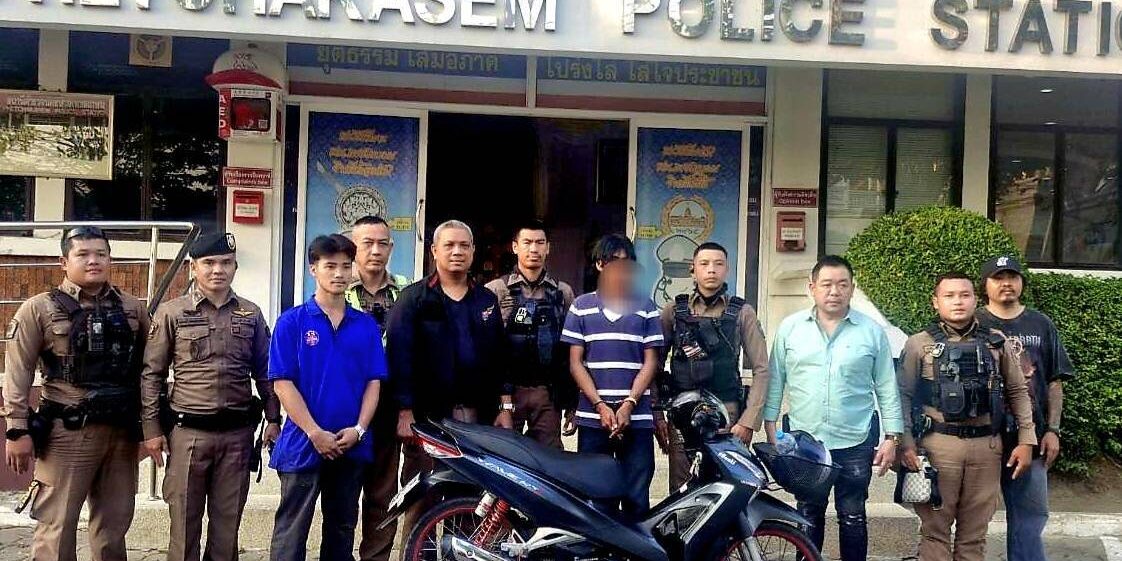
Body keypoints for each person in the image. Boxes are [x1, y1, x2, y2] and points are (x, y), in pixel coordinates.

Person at [3, 226, 150, 561]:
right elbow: (18, 373)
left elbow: (149, 368)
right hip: (67, 433)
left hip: (121, 433)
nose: (93, 261)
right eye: (82, 254)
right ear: (63, 262)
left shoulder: (132, 308)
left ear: (110, 259)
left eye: (101, 254)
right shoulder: (38, 309)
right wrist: (16, 430)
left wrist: (152, 426)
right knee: (57, 527)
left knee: (114, 526)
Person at [139, 233, 282, 561]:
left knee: (227, 528)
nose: (218, 270)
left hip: (237, 437)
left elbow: (266, 372)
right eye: (209, 263)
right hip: (188, 435)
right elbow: (152, 375)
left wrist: (274, 419)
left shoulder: (250, 313)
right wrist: (151, 430)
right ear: (193, 267)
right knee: (184, 527)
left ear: (235, 267)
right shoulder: (172, 313)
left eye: (226, 263)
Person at [763, 255, 904, 561]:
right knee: (808, 514)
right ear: (811, 287)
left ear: (852, 288)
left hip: (855, 439)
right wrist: (770, 425)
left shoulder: (871, 331)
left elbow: (886, 386)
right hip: (805, 441)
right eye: (826, 284)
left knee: (853, 516)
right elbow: (775, 379)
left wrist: (892, 437)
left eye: (842, 284)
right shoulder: (790, 328)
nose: (834, 291)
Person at [898, 272, 1037, 561]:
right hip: (937, 447)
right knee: (934, 532)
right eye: (949, 296)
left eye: (964, 295)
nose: (958, 301)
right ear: (935, 302)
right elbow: (903, 396)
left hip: (986, 447)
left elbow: (1017, 391)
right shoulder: (918, 344)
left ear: (975, 300)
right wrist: (906, 443)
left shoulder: (997, 342)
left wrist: (1026, 440)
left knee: (974, 536)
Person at [386, 219, 513, 534]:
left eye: (464, 246)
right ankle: (417, 553)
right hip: (428, 419)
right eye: (449, 245)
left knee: (470, 498)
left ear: (473, 252)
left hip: (477, 419)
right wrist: (404, 411)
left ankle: (460, 552)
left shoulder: (485, 300)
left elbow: (500, 357)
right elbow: (399, 358)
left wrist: (504, 407)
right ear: (434, 251)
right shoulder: (413, 299)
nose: (457, 251)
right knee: (424, 499)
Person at [267, 234, 386, 561]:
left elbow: (374, 382)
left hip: (350, 444)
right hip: (303, 443)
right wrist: (314, 432)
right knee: (291, 532)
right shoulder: (292, 322)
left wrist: (359, 429)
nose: (339, 274)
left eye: (346, 266)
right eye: (330, 266)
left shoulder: (365, 325)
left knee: (342, 530)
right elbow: (282, 384)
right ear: (313, 269)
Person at [559, 234, 663, 517]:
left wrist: (629, 403)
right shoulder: (581, 306)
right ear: (599, 264)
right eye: (613, 261)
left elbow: (651, 362)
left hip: (637, 419)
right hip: (593, 419)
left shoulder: (646, 307)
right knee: (595, 498)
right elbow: (576, 364)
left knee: (636, 498)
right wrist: (600, 406)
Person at [976, 255, 1072, 561]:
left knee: (1029, 520)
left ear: (1021, 283)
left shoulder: (1041, 324)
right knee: (971, 518)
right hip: (982, 438)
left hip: (1030, 439)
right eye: (998, 278)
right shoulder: (974, 323)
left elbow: (1055, 381)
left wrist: (1053, 430)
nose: (1006, 283)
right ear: (985, 285)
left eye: (1013, 277)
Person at [656, 241, 771, 490]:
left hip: (728, 415)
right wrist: (657, 416)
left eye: (718, 264)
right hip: (682, 414)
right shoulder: (674, 310)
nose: (711, 270)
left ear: (727, 270)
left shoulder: (742, 312)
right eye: (704, 264)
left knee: (728, 487)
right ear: (693, 269)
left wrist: (748, 421)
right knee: (682, 489)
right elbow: (654, 365)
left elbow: (762, 369)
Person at [345, 216, 411, 561]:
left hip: (390, 405)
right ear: (352, 247)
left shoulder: (408, 291)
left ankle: (375, 557)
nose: (375, 250)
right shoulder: (337, 287)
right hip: (346, 406)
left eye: (382, 243)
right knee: (343, 495)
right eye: (366, 243)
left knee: (382, 494)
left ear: (391, 247)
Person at [484, 220, 577, 448]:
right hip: (506, 394)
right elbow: (486, 349)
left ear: (548, 247)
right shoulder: (496, 290)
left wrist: (572, 402)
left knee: (548, 458)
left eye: (539, 242)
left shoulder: (562, 292)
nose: (533, 249)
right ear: (515, 247)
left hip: (547, 393)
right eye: (527, 242)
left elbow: (572, 351)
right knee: (504, 456)